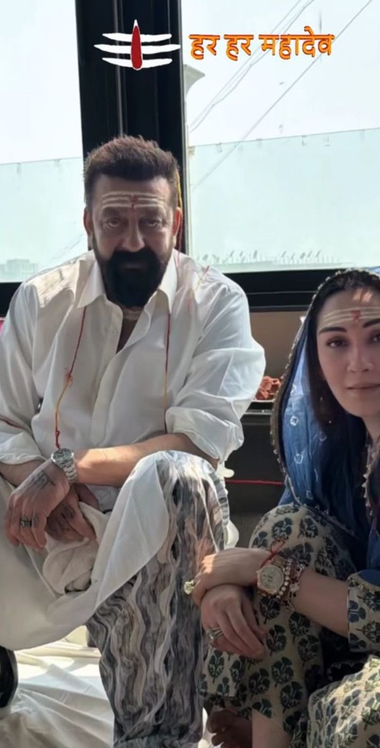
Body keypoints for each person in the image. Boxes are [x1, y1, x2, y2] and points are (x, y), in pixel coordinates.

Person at [0, 135, 265, 746]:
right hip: (42, 528)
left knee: (178, 476)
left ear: (176, 221)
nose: (134, 241)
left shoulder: (217, 303)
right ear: (88, 223)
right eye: (114, 221)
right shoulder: (40, 300)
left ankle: (158, 733)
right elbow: (5, 420)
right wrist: (40, 484)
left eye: (150, 221)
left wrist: (66, 469)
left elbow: (198, 442)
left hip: (156, 531)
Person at [192, 267, 380, 748]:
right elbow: (283, 537)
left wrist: (262, 571)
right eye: (336, 342)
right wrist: (226, 584)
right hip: (359, 651)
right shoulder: (339, 450)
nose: (358, 363)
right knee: (289, 529)